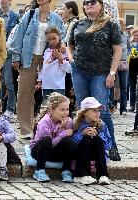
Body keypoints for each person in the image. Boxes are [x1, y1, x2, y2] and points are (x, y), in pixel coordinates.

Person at [68, 0, 122, 161]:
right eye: (86, 3)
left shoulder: (110, 24)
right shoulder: (78, 24)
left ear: (101, 5)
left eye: (92, 2)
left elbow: (117, 50)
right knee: (83, 110)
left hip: (100, 73)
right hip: (79, 72)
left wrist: (112, 73)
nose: (88, 5)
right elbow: (70, 45)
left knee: (102, 111)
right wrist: (71, 60)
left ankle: (111, 145)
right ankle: (82, 144)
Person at [9, 0, 65, 139]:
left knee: (50, 95)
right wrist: (16, 57)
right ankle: (26, 130)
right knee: (24, 93)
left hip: (48, 60)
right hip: (29, 58)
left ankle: (47, 128)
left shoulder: (56, 19)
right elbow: (19, 36)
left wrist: (61, 49)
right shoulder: (29, 15)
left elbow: (62, 37)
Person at [30, 92, 74, 182]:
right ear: (52, 110)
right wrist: (63, 133)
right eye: (62, 110)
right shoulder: (44, 122)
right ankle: (39, 170)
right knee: (47, 139)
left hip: (54, 154)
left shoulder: (68, 121)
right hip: (39, 152)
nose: (66, 113)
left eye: (67, 109)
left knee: (69, 141)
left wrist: (63, 128)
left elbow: (65, 141)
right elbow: (49, 144)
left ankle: (66, 170)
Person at [72, 97, 112, 185]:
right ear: (85, 112)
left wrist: (98, 135)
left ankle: (102, 174)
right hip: (81, 155)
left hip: (96, 154)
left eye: (98, 111)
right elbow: (71, 144)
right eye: (94, 110)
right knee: (87, 137)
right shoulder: (76, 124)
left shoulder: (101, 124)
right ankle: (81, 174)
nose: (98, 113)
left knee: (97, 139)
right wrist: (81, 134)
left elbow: (109, 144)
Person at [35, 26, 71, 100]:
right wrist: (39, 81)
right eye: (49, 40)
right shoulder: (46, 51)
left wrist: (61, 59)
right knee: (47, 108)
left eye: (54, 38)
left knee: (59, 106)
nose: (52, 41)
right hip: (46, 86)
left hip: (59, 87)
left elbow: (69, 69)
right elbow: (43, 67)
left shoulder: (64, 52)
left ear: (59, 36)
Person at [0, 0, 19, 120]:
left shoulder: (15, 17)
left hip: (8, 54)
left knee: (8, 82)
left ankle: (10, 109)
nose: (2, 1)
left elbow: (17, 36)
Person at [112, 18, 130, 115]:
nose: (123, 26)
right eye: (122, 24)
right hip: (113, 63)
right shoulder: (113, 35)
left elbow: (129, 47)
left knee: (124, 87)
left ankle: (123, 108)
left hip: (123, 63)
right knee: (112, 85)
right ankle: (112, 106)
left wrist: (126, 57)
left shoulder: (126, 35)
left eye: (124, 24)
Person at [128, 28, 138, 112]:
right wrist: (129, 56)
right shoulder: (130, 43)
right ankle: (132, 105)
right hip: (131, 67)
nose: (135, 37)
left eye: (137, 35)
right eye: (134, 35)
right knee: (132, 88)